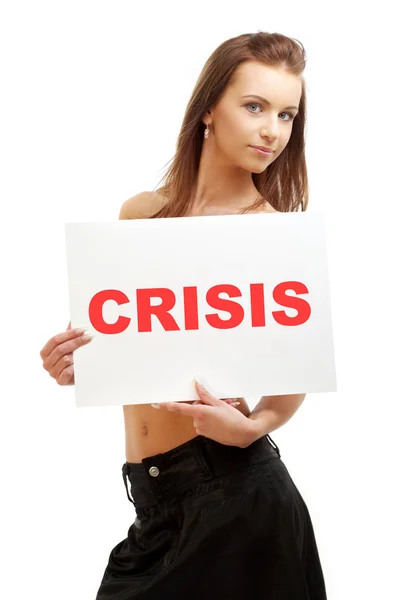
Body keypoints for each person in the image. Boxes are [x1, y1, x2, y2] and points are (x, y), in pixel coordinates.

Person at [40, 31, 327, 600]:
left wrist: (255, 426)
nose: (273, 129)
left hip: (236, 499)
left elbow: (298, 367)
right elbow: (127, 346)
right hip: (153, 507)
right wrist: (78, 362)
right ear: (208, 112)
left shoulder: (270, 231)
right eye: (254, 106)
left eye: (287, 114)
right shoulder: (141, 215)